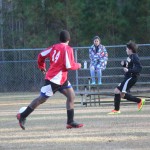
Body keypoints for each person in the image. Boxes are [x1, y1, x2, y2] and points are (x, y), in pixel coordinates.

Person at [16, 30, 84, 130]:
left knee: (71, 96)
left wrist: (42, 66)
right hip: (54, 80)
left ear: (60, 39)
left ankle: (70, 122)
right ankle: (22, 115)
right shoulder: (68, 48)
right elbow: (69, 65)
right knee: (41, 99)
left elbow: (41, 55)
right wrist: (78, 65)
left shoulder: (53, 47)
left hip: (62, 79)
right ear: (69, 39)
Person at [108, 40, 145, 115]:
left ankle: (116, 110)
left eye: (126, 49)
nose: (126, 50)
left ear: (130, 49)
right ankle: (139, 101)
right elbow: (128, 66)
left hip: (131, 78)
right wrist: (124, 64)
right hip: (128, 77)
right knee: (122, 95)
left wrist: (129, 70)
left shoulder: (134, 56)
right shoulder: (130, 57)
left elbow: (139, 68)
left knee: (116, 91)